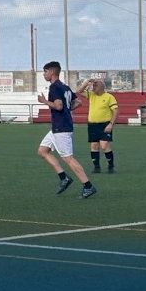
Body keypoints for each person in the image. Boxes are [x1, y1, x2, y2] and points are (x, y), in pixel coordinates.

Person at [37, 61, 95, 198]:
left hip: (61, 127)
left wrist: (44, 101)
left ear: (52, 72)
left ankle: (88, 186)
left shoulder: (54, 87)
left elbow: (58, 106)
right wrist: (66, 110)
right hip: (58, 127)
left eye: (45, 71)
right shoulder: (65, 87)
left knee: (68, 159)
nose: (44, 74)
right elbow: (78, 102)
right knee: (42, 151)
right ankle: (64, 178)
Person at [77, 78, 117, 174]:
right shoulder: (91, 95)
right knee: (94, 146)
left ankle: (111, 165)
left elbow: (115, 111)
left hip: (105, 125)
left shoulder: (109, 97)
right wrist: (86, 83)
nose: (93, 87)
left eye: (95, 85)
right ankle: (96, 167)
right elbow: (79, 91)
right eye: (93, 85)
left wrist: (111, 124)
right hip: (92, 125)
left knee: (104, 145)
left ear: (102, 87)